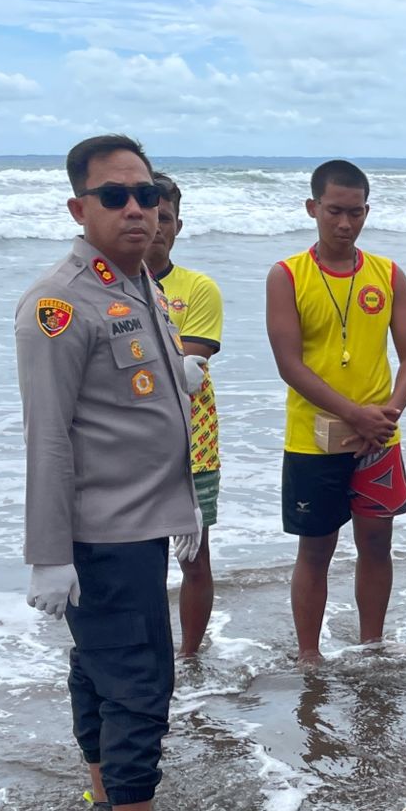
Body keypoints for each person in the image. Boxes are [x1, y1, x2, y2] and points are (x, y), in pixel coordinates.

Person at [15, 133, 208, 811]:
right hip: (102, 535)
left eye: (147, 194)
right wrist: (49, 554)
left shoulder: (135, 283)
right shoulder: (58, 304)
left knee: (98, 668)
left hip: (144, 520)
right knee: (138, 682)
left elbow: (148, 413)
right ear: (79, 205)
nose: (138, 208)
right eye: (115, 196)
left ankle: (105, 792)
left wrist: (184, 506)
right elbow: (49, 436)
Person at [265, 159, 406, 665]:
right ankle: (309, 655)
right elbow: (290, 365)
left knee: (377, 544)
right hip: (313, 439)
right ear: (312, 208)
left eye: (355, 213)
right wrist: (355, 414)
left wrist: (388, 414)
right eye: (334, 211)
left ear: (366, 211)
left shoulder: (388, 274)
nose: (344, 224)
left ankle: (371, 645)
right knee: (316, 550)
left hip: (379, 437)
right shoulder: (287, 275)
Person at [147, 172, 225, 658]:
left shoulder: (197, 288)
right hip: (127, 444)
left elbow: (188, 363)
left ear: (179, 225)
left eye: (166, 218)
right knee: (138, 562)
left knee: (194, 557)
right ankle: (149, 655)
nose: (156, 227)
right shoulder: (102, 284)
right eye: (150, 216)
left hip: (192, 439)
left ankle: (189, 658)